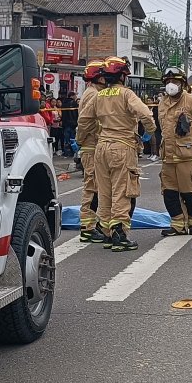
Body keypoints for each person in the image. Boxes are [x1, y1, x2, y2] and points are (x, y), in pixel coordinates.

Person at [78, 56, 154, 252]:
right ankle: (119, 234)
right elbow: (145, 113)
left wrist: (79, 139)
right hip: (122, 147)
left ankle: (107, 233)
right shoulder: (126, 94)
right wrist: (150, 130)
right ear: (122, 76)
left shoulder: (98, 96)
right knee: (122, 190)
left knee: (104, 192)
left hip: (101, 148)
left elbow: (84, 120)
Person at [157, 68, 192, 236]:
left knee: (189, 192)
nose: (171, 85)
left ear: (182, 84)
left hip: (187, 156)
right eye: (168, 82)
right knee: (169, 192)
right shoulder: (162, 103)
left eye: (175, 82)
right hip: (168, 157)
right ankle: (177, 223)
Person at [76, 60, 106, 243]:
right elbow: (86, 121)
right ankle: (88, 227)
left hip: (92, 145)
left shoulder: (92, 92)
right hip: (91, 146)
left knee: (95, 186)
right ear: (99, 77)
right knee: (92, 187)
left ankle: (92, 224)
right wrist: (81, 140)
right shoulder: (93, 95)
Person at [61, 92, 79, 158]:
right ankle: (73, 152)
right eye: (75, 95)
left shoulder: (64, 103)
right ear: (72, 96)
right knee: (73, 139)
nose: (76, 97)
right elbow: (76, 114)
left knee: (66, 139)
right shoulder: (74, 103)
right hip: (72, 124)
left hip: (65, 124)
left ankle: (66, 152)